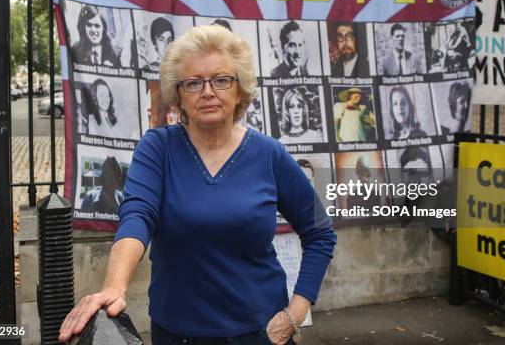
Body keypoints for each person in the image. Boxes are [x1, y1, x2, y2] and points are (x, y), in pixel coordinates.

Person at [59, 24, 336, 345]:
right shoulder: (158, 148)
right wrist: (113, 286)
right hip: (178, 335)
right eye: (193, 83)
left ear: (239, 90)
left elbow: (319, 231)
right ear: (178, 94)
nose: (208, 91)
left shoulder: (269, 154)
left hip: (262, 333)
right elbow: (137, 216)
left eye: (221, 80)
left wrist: (295, 312)